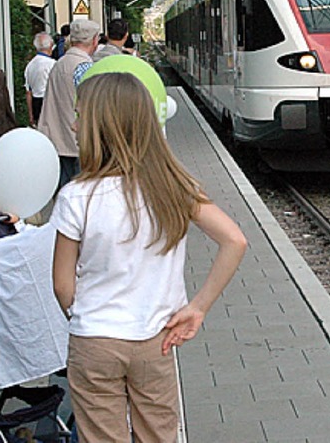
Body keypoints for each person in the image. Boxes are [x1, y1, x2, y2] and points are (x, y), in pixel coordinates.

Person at [51, 72, 247, 443]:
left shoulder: (76, 197)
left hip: (95, 340)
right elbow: (234, 240)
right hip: (155, 340)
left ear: (100, 127)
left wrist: (88, 318)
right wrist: (198, 307)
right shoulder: (172, 185)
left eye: (80, 116)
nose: (74, 125)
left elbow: (63, 285)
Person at [38, 18, 100, 190]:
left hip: (56, 142)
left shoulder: (59, 63)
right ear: (94, 40)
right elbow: (90, 105)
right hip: (77, 145)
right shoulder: (85, 67)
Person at [24, 32, 56, 127]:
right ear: (50, 46)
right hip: (49, 101)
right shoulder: (53, 64)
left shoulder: (30, 65)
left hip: (36, 101)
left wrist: (31, 114)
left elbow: (28, 92)